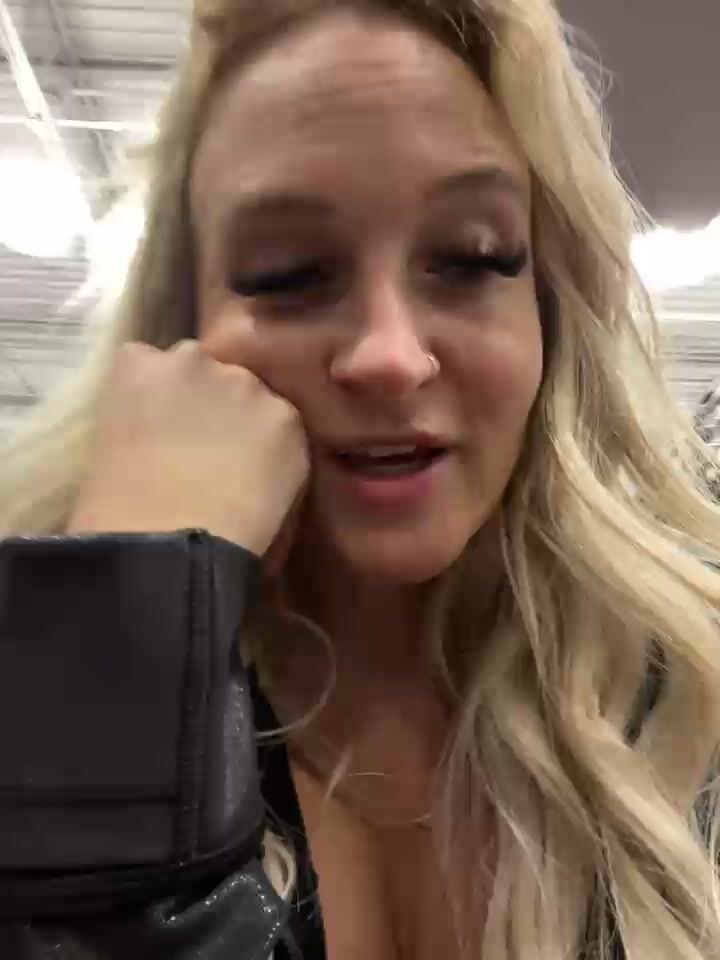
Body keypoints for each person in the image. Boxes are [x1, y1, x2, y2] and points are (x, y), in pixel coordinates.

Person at [1, 0, 720, 958]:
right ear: (183, 326)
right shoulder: (27, 695)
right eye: (290, 271)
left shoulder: (687, 703)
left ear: (547, 311)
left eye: (470, 258)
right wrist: (124, 649)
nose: (390, 356)